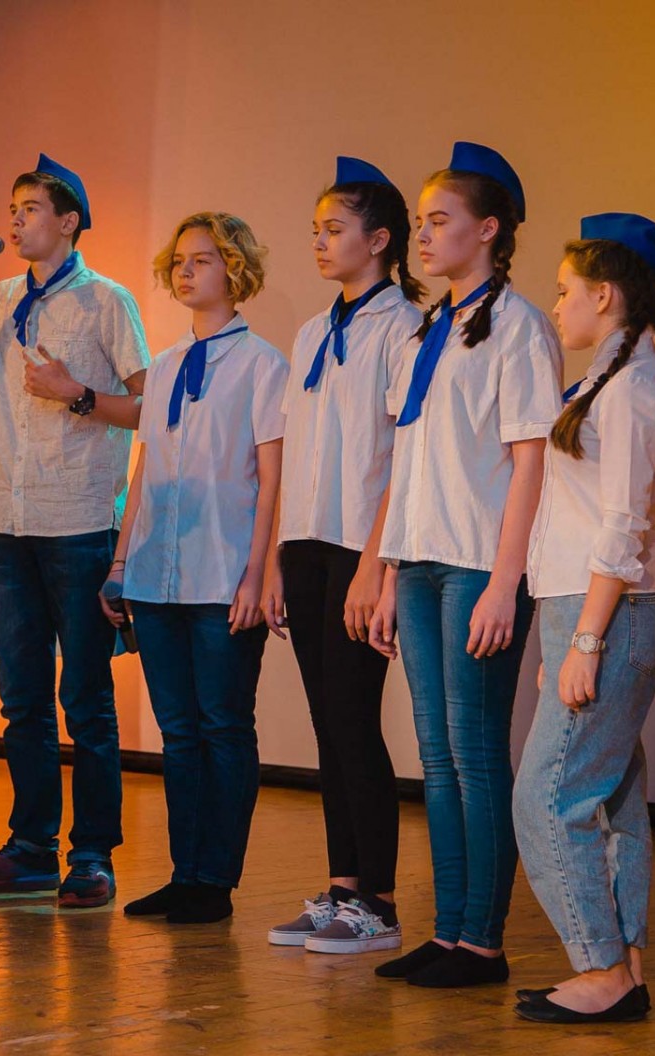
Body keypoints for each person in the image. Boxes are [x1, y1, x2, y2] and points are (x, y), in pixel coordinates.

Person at [0, 153, 151, 908]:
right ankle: (29, 846)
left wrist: (76, 393)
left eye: (29, 209)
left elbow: (150, 408)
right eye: (13, 209)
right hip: (9, 525)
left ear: (68, 222)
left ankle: (92, 853)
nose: (15, 221)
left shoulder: (106, 301)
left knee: (84, 699)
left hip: (79, 522)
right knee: (20, 698)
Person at [368, 142, 563, 988]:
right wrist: (385, 571)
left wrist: (504, 582)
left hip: (476, 566)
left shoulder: (519, 327)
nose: (422, 235)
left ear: (487, 230)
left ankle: (481, 940)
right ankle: (448, 932)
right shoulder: (425, 330)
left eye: (439, 220)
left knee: (476, 751)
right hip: (418, 560)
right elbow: (406, 461)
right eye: (419, 221)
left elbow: (531, 463)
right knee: (437, 755)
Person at [512, 214, 655, 1023]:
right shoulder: (613, 379)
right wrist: (565, 637)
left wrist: (585, 638)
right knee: (611, 799)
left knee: (546, 797)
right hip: (588, 611)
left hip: (609, 616)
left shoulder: (632, 387)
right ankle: (623, 967)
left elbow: (621, 526)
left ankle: (601, 968)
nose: (556, 306)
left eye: (565, 291)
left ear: (604, 294)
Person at [261, 157, 424, 953]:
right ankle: (342, 888)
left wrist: (377, 563)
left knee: (356, 719)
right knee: (327, 723)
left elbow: (399, 455)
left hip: (362, 544)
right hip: (307, 542)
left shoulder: (405, 327)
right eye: (316, 230)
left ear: (380, 239)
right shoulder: (311, 332)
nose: (320, 243)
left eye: (335, 229)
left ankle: (379, 903)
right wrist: (277, 560)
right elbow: (298, 451)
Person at [106, 212, 285, 924]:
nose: (186, 271)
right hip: (157, 575)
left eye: (203, 259)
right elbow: (146, 466)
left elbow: (271, 479)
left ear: (234, 270)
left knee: (223, 725)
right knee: (178, 732)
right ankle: (185, 874)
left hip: (223, 575)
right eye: (180, 260)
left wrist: (257, 574)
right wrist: (122, 561)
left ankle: (217, 880)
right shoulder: (167, 364)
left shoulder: (263, 364)